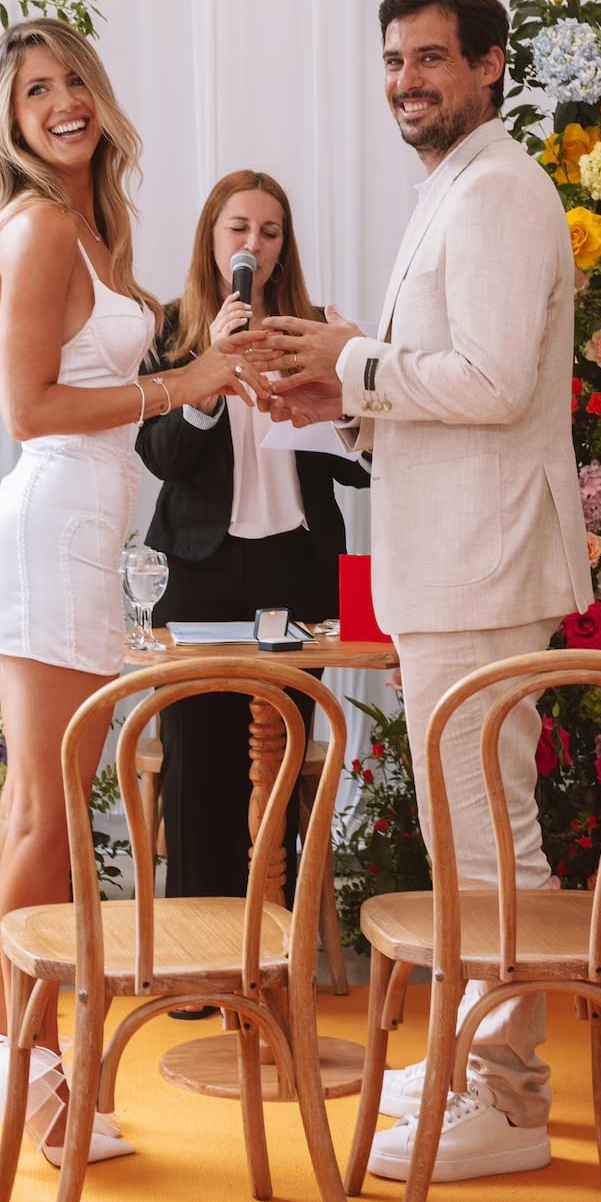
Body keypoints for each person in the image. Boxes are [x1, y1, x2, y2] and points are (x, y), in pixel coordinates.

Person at [260, 0, 593, 1182]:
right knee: (465, 840)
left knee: (490, 842)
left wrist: (354, 359)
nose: (406, 81)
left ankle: (506, 1101)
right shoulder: (452, 188)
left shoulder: (499, 189)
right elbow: (442, 383)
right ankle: (465, 1061)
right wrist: (336, 393)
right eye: (393, 60)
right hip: (451, 564)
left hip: (483, 568)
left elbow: (497, 383)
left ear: (490, 64)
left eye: (431, 60)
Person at [0, 20, 269, 1161]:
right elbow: (33, 411)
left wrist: (202, 374)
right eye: (36, 89)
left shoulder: (89, 226)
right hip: (51, 523)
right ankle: (34, 1082)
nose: (63, 101)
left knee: (37, 808)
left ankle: (12, 1073)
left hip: (82, 530)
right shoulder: (41, 228)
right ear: (12, 116)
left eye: (74, 80)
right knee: (48, 811)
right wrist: (178, 382)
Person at [135, 169, 370, 930]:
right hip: (197, 573)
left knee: (276, 764)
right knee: (197, 768)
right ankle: (196, 964)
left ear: (283, 247)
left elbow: (360, 467)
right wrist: (206, 378)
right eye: (239, 229)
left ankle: (276, 957)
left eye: (269, 232)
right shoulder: (171, 331)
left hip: (294, 574)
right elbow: (162, 459)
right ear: (213, 238)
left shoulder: (312, 331)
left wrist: (344, 391)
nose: (253, 244)